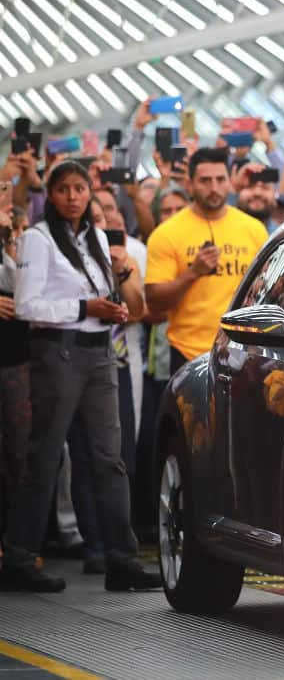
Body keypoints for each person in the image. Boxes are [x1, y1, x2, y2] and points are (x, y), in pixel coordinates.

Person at [6, 160, 159, 592]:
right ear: (50, 195)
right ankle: (19, 556)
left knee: (110, 459)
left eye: (79, 189)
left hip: (99, 353)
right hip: (60, 353)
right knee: (46, 455)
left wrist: (110, 306)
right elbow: (26, 306)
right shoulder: (37, 239)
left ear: (89, 193)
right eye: (63, 189)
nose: (72, 197)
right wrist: (84, 309)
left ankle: (120, 558)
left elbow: (102, 294)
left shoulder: (95, 237)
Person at [144, 149, 268, 375]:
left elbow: (269, 289)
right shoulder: (166, 234)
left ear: (229, 182)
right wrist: (193, 273)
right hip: (188, 353)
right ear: (189, 184)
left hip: (245, 352)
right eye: (205, 181)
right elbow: (154, 302)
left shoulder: (254, 229)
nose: (214, 188)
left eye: (220, 179)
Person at [0, 206, 30, 560]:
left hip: (16, 360)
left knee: (19, 453)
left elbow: (23, 288)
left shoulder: (20, 243)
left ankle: (15, 544)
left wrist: (9, 240)